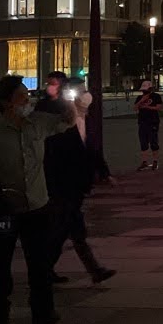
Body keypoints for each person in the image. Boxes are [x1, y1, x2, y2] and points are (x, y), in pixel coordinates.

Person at [0, 75, 68, 324]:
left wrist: (64, 99)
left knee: (40, 263)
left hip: (37, 203)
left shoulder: (38, 123)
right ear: (7, 102)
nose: (27, 99)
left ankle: (42, 312)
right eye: (21, 95)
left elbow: (67, 121)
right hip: (5, 207)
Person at [45, 90, 116, 286]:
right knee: (68, 230)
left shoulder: (81, 124)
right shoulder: (60, 130)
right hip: (64, 187)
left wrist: (104, 172)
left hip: (73, 186)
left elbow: (91, 151)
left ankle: (49, 270)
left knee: (66, 231)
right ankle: (92, 270)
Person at [134, 80, 162, 171]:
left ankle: (155, 161)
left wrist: (147, 107)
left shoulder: (156, 96)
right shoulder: (139, 98)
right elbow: (135, 108)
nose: (144, 92)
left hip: (153, 122)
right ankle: (144, 162)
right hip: (142, 122)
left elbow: (159, 107)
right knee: (143, 143)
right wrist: (141, 101)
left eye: (146, 91)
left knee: (154, 142)